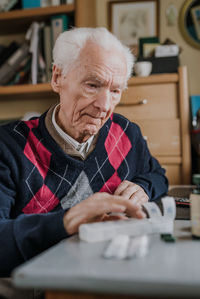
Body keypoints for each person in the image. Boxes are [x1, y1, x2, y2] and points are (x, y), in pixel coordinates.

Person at [0, 27, 168, 280]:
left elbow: (158, 175)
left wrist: (143, 186)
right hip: (42, 283)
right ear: (57, 77)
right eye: (93, 85)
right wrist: (66, 222)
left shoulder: (127, 133)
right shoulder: (7, 147)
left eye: (115, 90)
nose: (105, 106)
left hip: (117, 273)